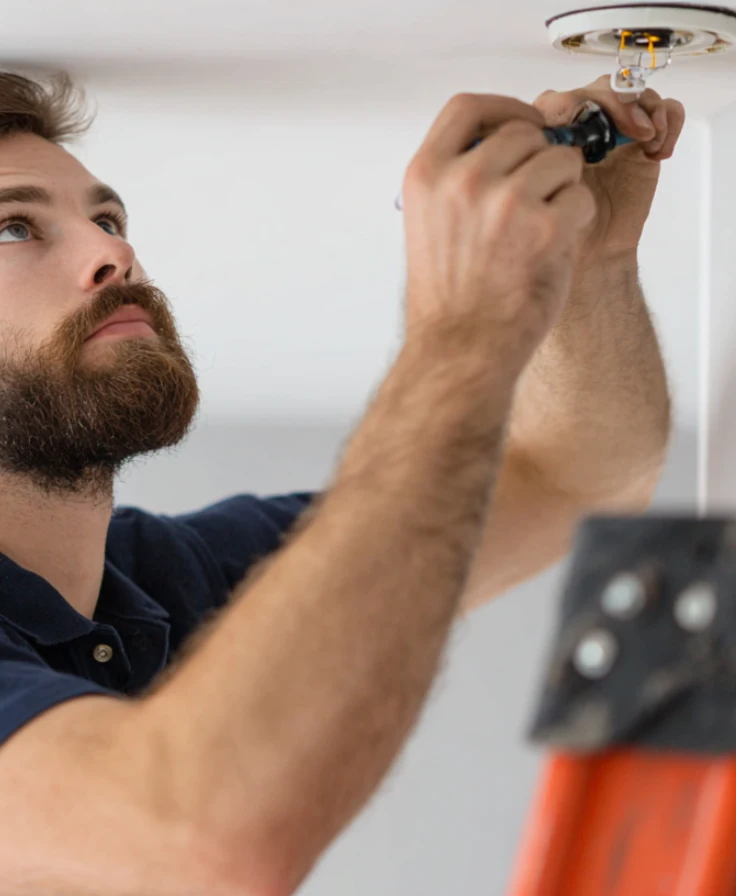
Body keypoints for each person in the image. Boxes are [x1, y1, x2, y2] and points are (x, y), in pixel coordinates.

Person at [0, 69, 681, 894]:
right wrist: (458, 342)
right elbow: (198, 840)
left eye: (106, 217)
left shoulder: (175, 585)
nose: (115, 252)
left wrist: (591, 262)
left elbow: (578, 479)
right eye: (14, 229)